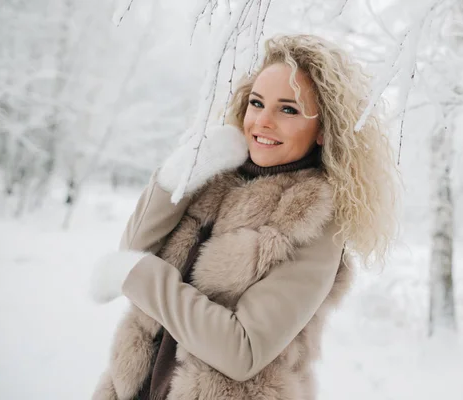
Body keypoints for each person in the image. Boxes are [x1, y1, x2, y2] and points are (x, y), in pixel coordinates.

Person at [89, 34, 400, 400]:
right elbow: (134, 248)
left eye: (288, 109)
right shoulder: (217, 177)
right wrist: (179, 175)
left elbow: (242, 351)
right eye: (257, 103)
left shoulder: (313, 216)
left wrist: (140, 275)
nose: (262, 122)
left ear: (322, 130)